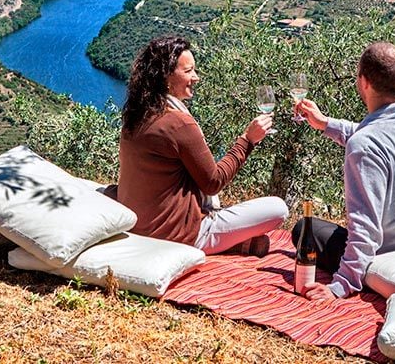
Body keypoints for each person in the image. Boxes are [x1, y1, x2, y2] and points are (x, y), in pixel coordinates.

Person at [292, 41, 395, 299]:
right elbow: (376, 135)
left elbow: (365, 228)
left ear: (364, 82)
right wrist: (326, 124)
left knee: (302, 229)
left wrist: (340, 286)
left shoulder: (363, 146)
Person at [117, 35, 288, 256]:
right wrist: (247, 140)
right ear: (165, 77)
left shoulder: (136, 115)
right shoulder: (179, 123)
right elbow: (213, 182)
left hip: (139, 225)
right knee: (278, 209)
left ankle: (238, 244)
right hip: (177, 234)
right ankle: (218, 243)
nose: (196, 77)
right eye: (188, 71)